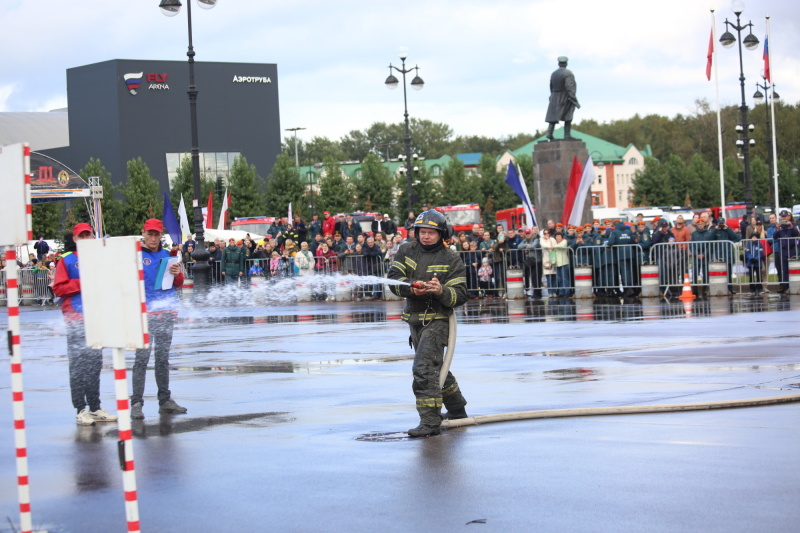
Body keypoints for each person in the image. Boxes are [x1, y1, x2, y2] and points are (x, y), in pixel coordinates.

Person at [387, 210, 469, 437]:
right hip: (414, 318)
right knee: (436, 366)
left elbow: (461, 294)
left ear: (441, 233)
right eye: (422, 232)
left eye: (431, 233)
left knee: (423, 368)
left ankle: (430, 422)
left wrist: (441, 290)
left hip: (439, 319)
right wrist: (410, 286)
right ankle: (457, 409)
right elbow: (394, 279)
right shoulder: (406, 250)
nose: (425, 236)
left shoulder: (451, 258)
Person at [52, 223, 118, 426]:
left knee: (95, 364)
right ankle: (80, 409)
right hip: (75, 318)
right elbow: (59, 288)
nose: (86, 239)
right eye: (82, 236)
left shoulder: (100, 259)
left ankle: (95, 407)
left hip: (96, 317)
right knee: (78, 365)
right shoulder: (67, 260)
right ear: (75, 239)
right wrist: (83, 281)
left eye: (89, 235)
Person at [131, 219, 186, 419]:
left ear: (160, 236)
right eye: (150, 234)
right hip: (145, 315)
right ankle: (136, 402)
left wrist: (177, 273)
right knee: (141, 359)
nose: (153, 238)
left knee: (162, 359)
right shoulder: (135, 255)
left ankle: (165, 400)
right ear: (143, 233)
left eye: (156, 235)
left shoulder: (167, 256)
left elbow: (177, 283)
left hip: (166, 313)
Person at [545, 56, 580, 141]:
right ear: (566, 63)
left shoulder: (553, 74)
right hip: (564, 97)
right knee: (568, 115)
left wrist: (552, 95)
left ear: (559, 63)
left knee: (553, 116)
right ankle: (567, 135)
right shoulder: (568, 74)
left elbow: (551, 86)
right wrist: (575, 101)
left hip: (554, 96)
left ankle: (549, 133)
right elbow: (570, 88)